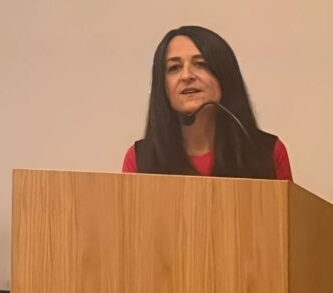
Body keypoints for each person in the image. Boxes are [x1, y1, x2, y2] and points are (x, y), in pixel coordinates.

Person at [122, 26, 292, 180]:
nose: (186, 76)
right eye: (174, 67)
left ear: (224, 75)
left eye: (200, 64)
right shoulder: (140, 160)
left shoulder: (267, 153)